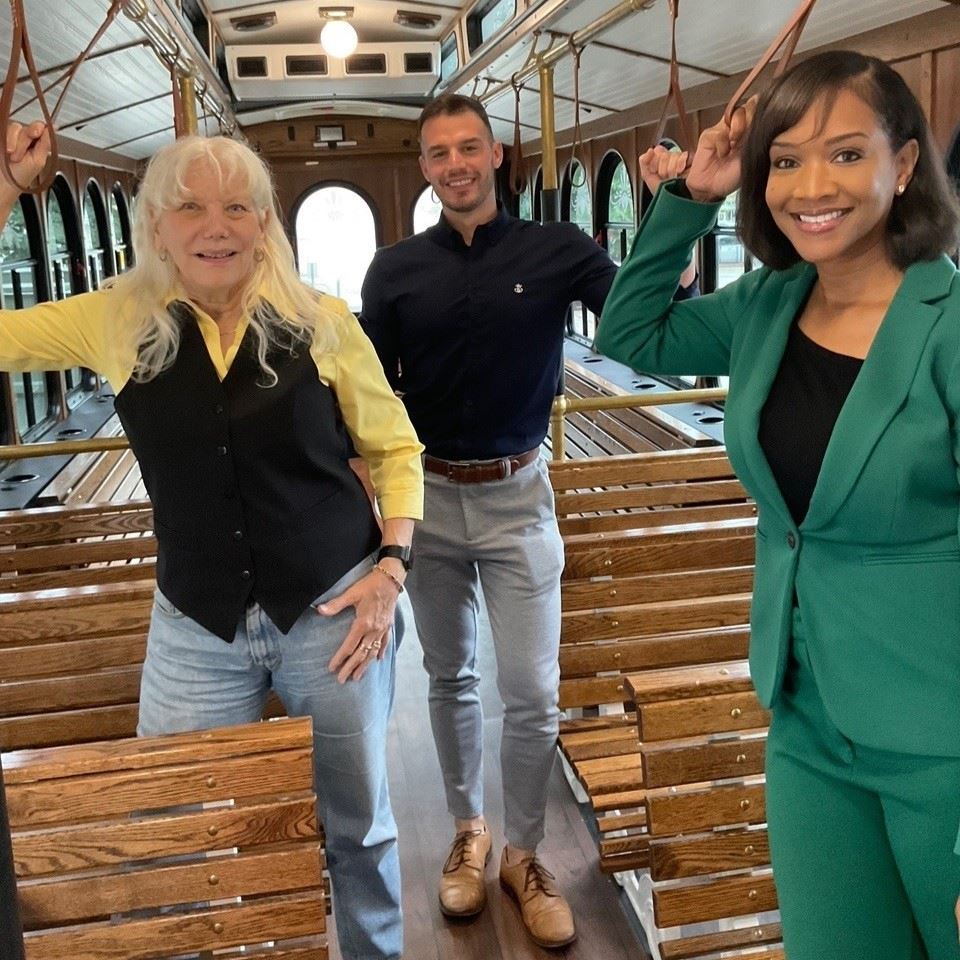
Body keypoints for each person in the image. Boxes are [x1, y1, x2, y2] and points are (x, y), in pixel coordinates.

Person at [0, 122, 423, 960]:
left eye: (237, 206)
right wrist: (8, 190)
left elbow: (395, 449)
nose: (214, 226)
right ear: (156, 225)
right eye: (189, 207)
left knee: (358, 821)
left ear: (265, 223)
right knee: (179, 824)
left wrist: (391, 572)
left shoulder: (324, 321)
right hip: (196, 623)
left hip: (330, 611)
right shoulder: (115, 322)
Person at [595, 50, 960, 960]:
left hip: (941, 745)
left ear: (905, 164)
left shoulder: (950, 328)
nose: (809, 186)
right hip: (804, 724)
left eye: (843, 154)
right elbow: (630, 331)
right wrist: (691, 197)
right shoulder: (766, 304)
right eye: (784, 159)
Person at [358, 93, 618, 949]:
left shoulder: (559, 251)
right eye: (438, 153)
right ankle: (468, 830)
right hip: (428, 499)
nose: (455, 165)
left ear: (497, 155)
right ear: (426, 166)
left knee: (533, 691)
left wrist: (678, 236)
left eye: (469, 147)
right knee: (449, 675)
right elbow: (365, 388)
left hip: (518, 494)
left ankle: (525, 851)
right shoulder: (392, 270)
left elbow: (635, 311)